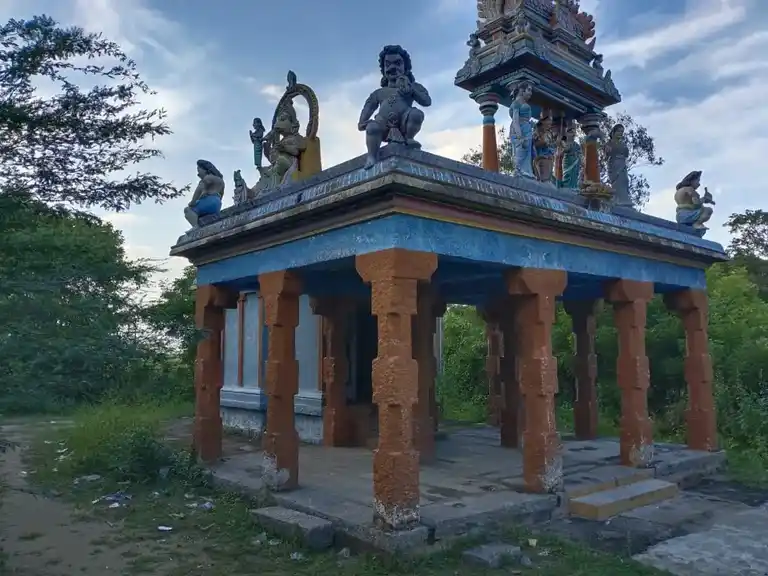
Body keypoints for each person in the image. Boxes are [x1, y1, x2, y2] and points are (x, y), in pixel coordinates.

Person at [184, 159, 225, 227]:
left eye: (199, 170)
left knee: (188, 210)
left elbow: (198, 190)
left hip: (209, 200)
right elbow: (221, 195)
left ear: (205, 169)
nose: (198, 173)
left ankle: (196, 228)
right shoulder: (221, 181)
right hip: (217, 204)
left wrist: (192, 202)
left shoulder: (207, 178)